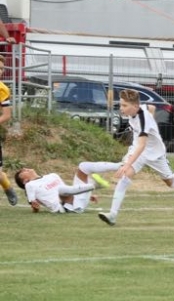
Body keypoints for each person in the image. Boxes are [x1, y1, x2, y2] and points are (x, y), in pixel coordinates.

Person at [97, 88, 174, 226]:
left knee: (171, 183)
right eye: (121, 104)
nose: (121, 108)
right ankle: (112, 215)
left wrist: (127, 164)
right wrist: (152, 122)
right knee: (125, 177)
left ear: (135, 106)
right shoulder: (139, 108)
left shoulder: (142, 120)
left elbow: (142, 145)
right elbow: (151, 107)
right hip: (139, 152)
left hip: (155, 153)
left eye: (124, 105)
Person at [14, 161, 112, 213]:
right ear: (25, 181)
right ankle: (95, 185)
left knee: (81, 168)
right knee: (60, 190)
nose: (25, 168)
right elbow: (34, 203)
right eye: (22, 172)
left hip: (78, 201)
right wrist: (35, 208)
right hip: (67, 208)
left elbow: (69, 190)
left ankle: (92, 186)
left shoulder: (52, 175)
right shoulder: (30, 185)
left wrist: (87, 194)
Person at [0, 55, 18, 205]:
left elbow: (6, 115)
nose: (0, 71)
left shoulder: (2, 89)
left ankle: (6, 185)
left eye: (1, 69)